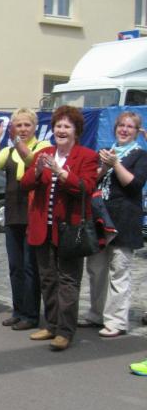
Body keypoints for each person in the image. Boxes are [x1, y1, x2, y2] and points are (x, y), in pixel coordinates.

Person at [20, 105, 99, 351]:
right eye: (58, 126)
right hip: (43, 228)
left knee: (68, 281)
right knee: (48, 279)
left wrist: (60, 172)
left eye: (67, 126)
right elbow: (25, 184)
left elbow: (86, 187)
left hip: (69, 230)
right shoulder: (45, 153)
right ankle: (52, 324)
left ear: (76, 131)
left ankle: (65, 331)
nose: (61, 130)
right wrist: (38, 170)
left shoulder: (86, 156)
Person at [80, 111, 147, 337]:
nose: (124, 130)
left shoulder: (140, 155)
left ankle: (116, 321)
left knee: (119, 271)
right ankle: (96, 314)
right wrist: (104, 166)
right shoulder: (106, 151)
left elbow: (134, 185)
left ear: (136, 132)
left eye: (130, 127)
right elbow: (92, 181)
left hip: (124, 221)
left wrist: (116, 164)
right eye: (121, 125)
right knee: (96, 269)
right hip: (101, 219)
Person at [0, 109, 51, 331]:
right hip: (13, 214)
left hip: (33, 214)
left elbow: (31, 160)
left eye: (27, 125)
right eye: (18, 125)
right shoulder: (9, 149)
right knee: (15, 267)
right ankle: (18, 310)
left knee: (30, 267)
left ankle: (31, 315)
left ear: (35, 127)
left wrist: (16, 141)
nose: (22, 129)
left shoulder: (43, 146)